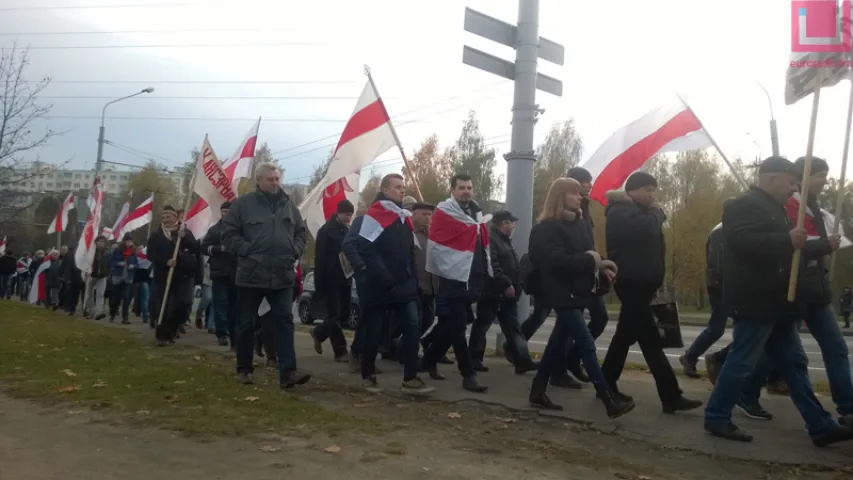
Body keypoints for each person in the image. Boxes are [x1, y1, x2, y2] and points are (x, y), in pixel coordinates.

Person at [704, 156, 852, 445]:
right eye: (791, 180)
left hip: (780, 300)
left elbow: (789, 251)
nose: (794, 186)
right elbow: (743, 243)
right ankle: (716, 417)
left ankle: (820, 426)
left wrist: (820, 245)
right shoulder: (741, 205)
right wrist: (787, 240)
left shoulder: (777, 208)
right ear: (770, 178)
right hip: (756, 300)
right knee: (742, 362)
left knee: (795, 363)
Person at [526, 177, 633, 417]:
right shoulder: (546, 228)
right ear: (560, 197)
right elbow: (552, 260)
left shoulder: (580, 223)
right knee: (585, 343)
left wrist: (602, 265)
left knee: (555, 345)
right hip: (561, 293)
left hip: (579, 291)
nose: (580, 196)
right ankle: (608, 400)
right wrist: (590, 261)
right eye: (574, 193)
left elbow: (589, 254)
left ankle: (537, 392)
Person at [601, 171, 702, 414]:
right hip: (633, 282)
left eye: (653, 190)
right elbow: (645, 230)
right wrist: (657, 212)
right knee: (643, 340)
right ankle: (669, 395)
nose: (651, 195)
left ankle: (606, 383)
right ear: (631, 191)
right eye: (647, 189)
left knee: (633, 337)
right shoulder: (621, 211)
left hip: (642, 283)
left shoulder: (638, 212)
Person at [343, 173, 435, 395]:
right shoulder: (373, 217)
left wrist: (413, 278)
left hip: (405, 285)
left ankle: (410, 378)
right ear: (385, 190)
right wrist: (383, 277)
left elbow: (410, 252)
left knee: (413, 326)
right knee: (375, 330)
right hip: (379, 285)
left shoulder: (403, 218)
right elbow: (368, 251)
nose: (402, 190)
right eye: (397, 187)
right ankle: (368, 374)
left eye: (403, 187)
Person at [221, 162, 311, 389]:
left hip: (282, 274)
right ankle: (244, 368)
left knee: (284, 322)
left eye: (277, 178)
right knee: (245, 323)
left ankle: (288, 372)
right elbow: (228, 234)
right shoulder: (242, 205)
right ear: (258, 181)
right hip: (252, 273)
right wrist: (246, 250)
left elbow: (301, 232)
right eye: (270, 179)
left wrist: (296, 249)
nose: (275, 183)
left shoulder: (289, 205)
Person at [782, 156, 853, 425]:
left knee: (835, 347)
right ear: (804, 177)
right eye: (821, 175)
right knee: (782, 353)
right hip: (794, 288)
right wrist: (824, 244)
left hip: (817, 288)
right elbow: (791, 245)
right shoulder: (790, 206)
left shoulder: (814, 207)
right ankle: (743, 389)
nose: (825, 181)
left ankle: (848, 406)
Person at [421, 173, 488, 393]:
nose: (466, 191)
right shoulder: (444, 211)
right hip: (451, 276)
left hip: (471, 275)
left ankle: (429, 359)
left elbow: (479, 243)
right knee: (458, 326)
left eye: (469, 187)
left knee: (456, 324)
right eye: (461, 187)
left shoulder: (475, 212)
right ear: (452, 189)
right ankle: (468, 375)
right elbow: (439, 243)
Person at [472, 210, 538, 374]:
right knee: (483, 325)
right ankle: (474, 359)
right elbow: (492, 266)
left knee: (513, 327)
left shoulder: (503, 241)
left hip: (506, 295)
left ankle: (522, 360)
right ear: (502, 224)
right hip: (493, 292)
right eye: (510, 222)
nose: (513, 226)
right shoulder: (491, 240)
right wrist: (506, 284)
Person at [680, 203, 731, 378]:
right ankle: (690, 357)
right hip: (721, 287)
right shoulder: (721, 231)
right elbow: (718, 265)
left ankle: (693, 357)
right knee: (718, 328)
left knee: (744, 330)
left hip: (728, 285)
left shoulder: (729, 229)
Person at [148, 205, 201, 346]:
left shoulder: (185, 232)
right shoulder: (156, 234)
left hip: (181, 275)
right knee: (164, 304)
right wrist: (166, 262)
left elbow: (196, 249)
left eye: (168, 217)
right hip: (163, 275)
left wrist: (184, 239)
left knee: (182, 304)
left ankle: (173, 329)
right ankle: (162, 335)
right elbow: (151, 254)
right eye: (163, 217)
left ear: (176, 217)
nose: (165, 220)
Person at [310, 199, 355, 362]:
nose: (348, 217)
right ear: (338, 212)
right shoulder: (326, 231)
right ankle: (340, 351)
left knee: (344, 314)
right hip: (330, 279)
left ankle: (319, 332)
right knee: (334, 314)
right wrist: (318, 283)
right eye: (346, 214)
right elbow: (319, 259)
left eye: (350, 214)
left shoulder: (348, 230)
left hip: (346, 278)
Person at [202, 201, 238, 347]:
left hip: (236, 272)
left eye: (228, 211)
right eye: (224, 211)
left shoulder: (239, 229)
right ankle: (222, 333)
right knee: (220, 303)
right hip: (219, 271)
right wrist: (219, 249)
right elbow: (204, 247)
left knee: (234, 304)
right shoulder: (214, 230)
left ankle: (234, 333)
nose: (226, 214)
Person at [107, 234, 138, 324]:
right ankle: (112, 314)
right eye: (127, 241)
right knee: (116, 298)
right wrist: (117, 263)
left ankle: (125, 318)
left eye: (130, 241)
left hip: (128, 278)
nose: (129, 243)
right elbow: (110, 262)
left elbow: (137, 264)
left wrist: (134, 266)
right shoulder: (117, 251)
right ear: (124, 241)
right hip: (118, 277)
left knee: (126, 297)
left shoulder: (133, 252)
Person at [85, 235, 111, 320]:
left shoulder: (107, 252)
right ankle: (90, 311)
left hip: (102, 276)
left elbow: (109, 264)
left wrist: (107, 273)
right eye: (99, 241)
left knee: (100, 294)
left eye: (103, 242)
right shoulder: (92, 252)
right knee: (89, 294)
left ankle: (99, 312)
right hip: (92, 275)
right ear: (96, 242)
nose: (101, 243)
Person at [61, 245, 85, 316]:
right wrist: (65, 276)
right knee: (69, 292)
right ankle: (70, 307)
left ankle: (73, 307)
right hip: (70, 276)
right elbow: (65, 266)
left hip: (79, 276)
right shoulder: (69, 255)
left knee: (76, 293)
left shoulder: (82, 255)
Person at [133, 245, 151, 325]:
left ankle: (144, 315)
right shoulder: (136, 258)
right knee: (140, 298)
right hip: (139, 280)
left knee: (144, 298)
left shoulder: (142, 257)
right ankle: (141, 313)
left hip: (145, 280)